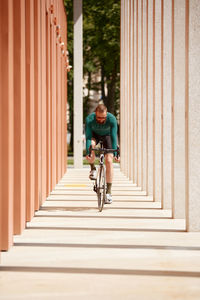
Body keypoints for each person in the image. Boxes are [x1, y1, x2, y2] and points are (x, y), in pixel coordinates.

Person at [85, 104, 120, 204]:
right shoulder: (90, 119)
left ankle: (108, 192)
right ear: (95, 113)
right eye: (99, 118)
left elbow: (114, 137)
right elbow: (88, 136)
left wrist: (116, 154)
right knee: (91, 146)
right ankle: (92, 168)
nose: (101, 120)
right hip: (94, 136)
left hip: (107, 136)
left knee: (109, 161)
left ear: (107, 114)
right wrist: (88, 152)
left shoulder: (112, 119)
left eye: (103, 117)